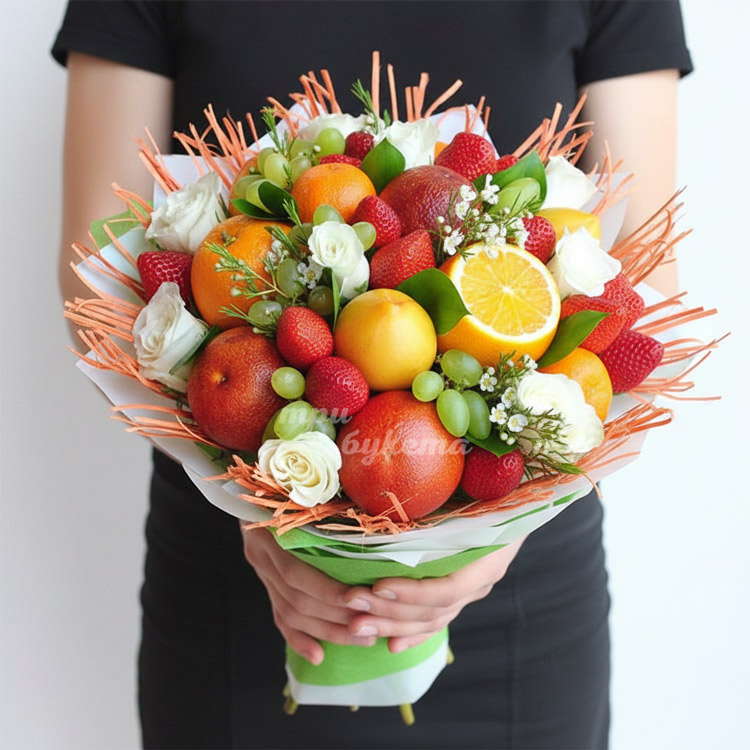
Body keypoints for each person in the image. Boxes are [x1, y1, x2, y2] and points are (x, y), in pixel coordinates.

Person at [53, 2, 692, 747]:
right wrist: (259, 515)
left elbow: (645, 271)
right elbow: (95, 272)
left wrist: (499, 533)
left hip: (520, 599)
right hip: (238, 580)